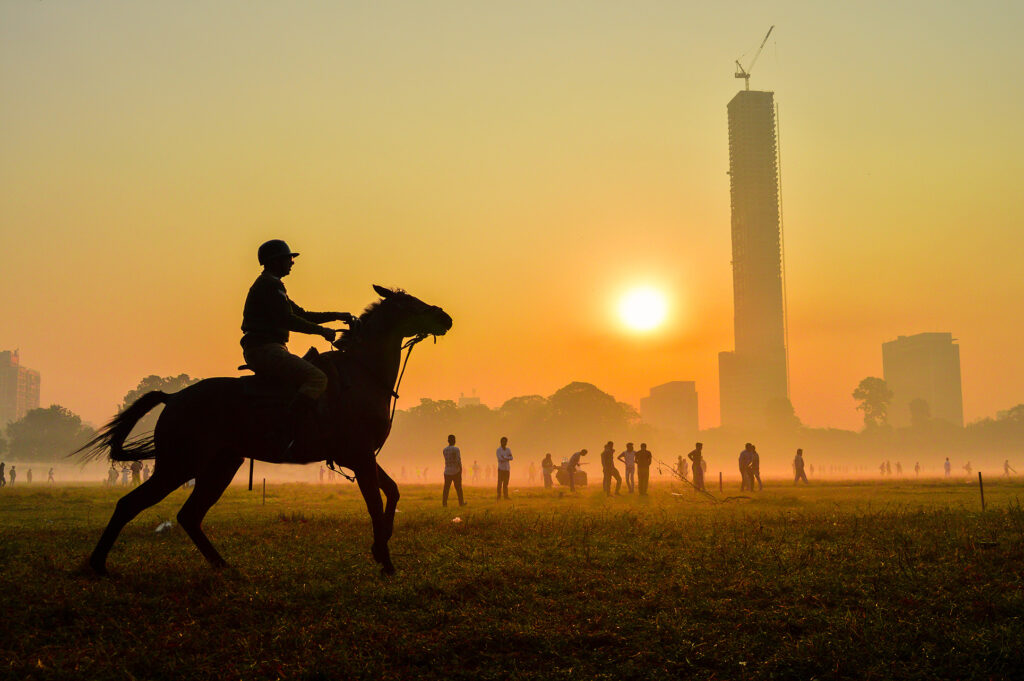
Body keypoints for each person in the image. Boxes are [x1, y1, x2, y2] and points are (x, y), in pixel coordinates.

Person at [240, 239, 354, 459]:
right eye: (288, 259)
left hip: (269, 348)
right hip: (266, 349)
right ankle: (284, 431)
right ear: (275, 262)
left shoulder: (273, 285)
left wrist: (336, 316)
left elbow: (301, 314)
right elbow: (289, 320)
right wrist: (323, 332)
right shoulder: (269, 285)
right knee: (318, 379)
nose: (292, 263)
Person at [442, 434, 466, 507]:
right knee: (459, 488)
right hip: (456, 471)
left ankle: (444, 503)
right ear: (454, 441)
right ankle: (461, 503)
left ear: (448, 441)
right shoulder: (456, 449)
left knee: (446, 488)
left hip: (447, 471)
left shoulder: (444, 450)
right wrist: (461, 469)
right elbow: (458, 460)